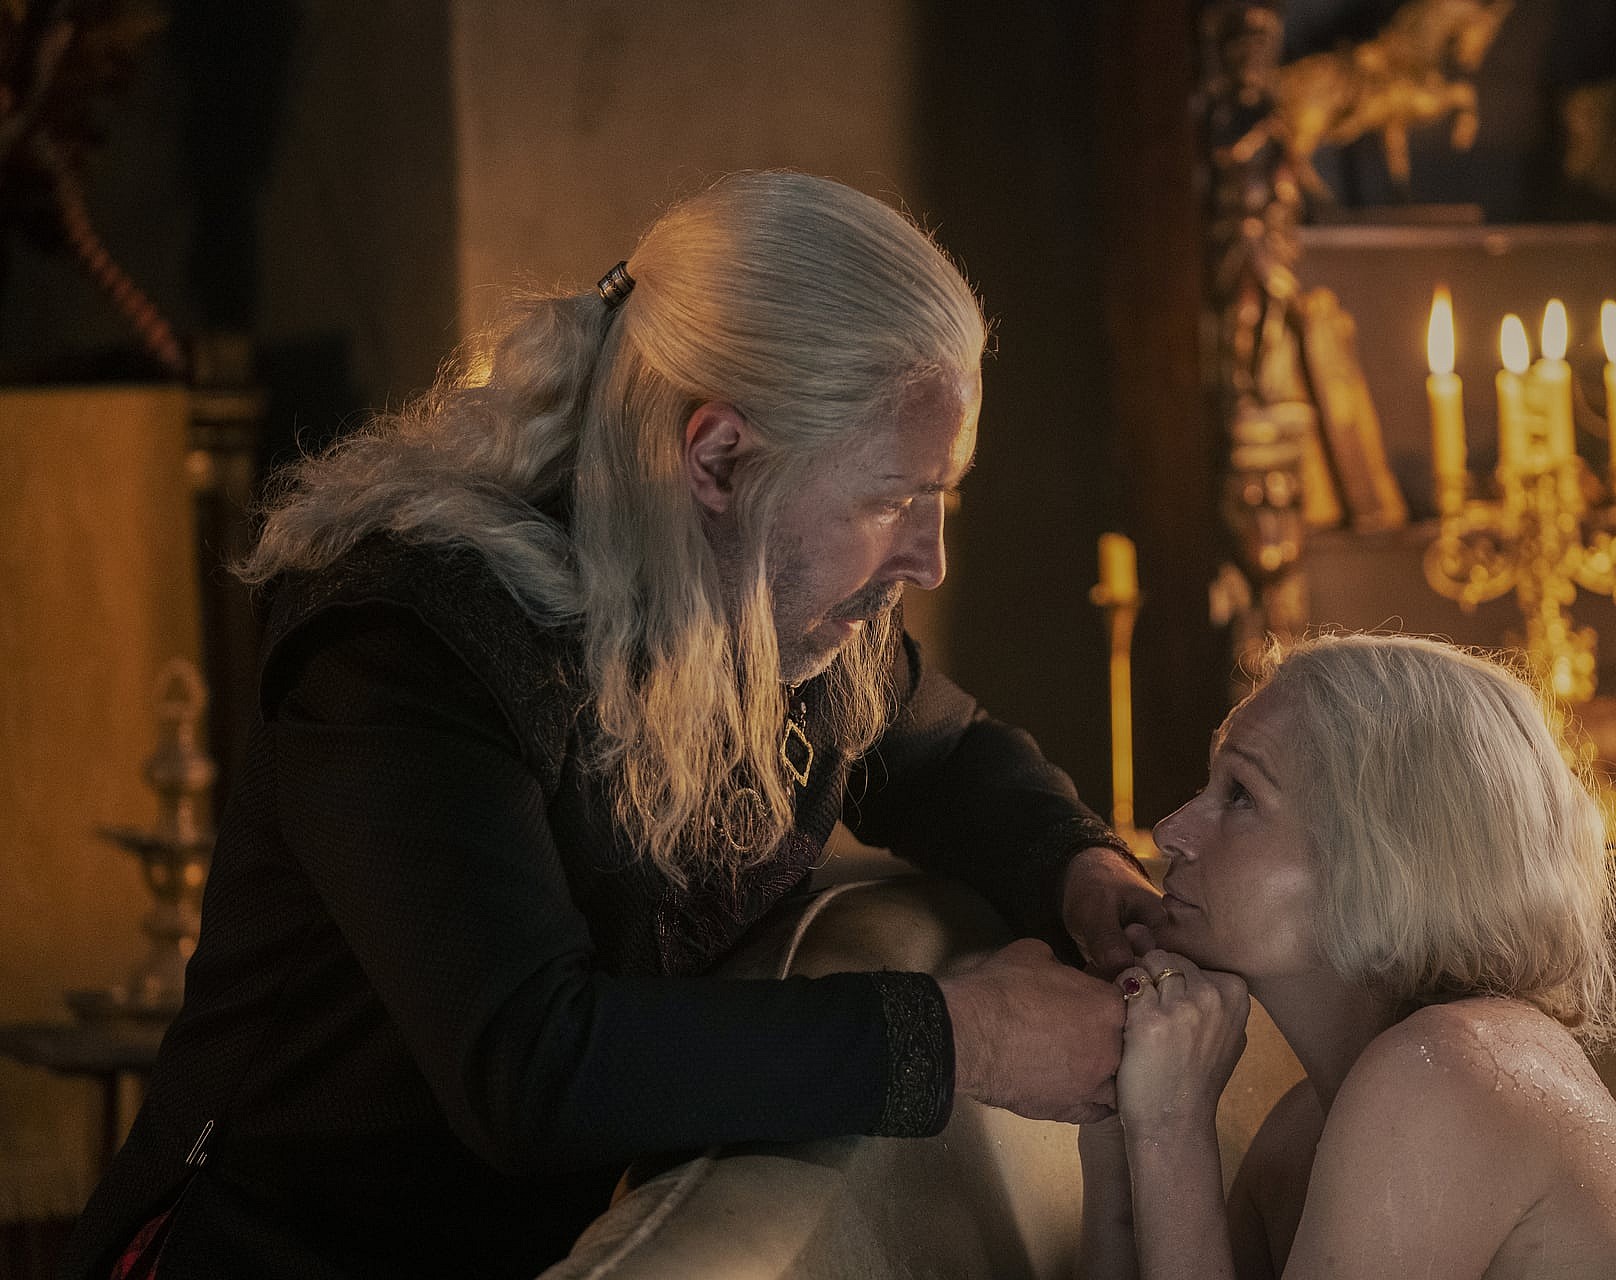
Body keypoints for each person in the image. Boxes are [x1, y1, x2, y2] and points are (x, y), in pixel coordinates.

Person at [62, 170, 1162, 1280]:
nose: (928, 558)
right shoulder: (405, 643)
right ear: (718, 458)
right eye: (890, 497)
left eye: (944, 493)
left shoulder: (794, 609)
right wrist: (968, 1037)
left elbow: (946, 753)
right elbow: (534, 1066)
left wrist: (1081, 870)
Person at [1079, 634, 1616, 1279]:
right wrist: (1117, 1128)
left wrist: (1170, 1126)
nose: (1170, 832)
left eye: (1241, 794)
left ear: (1382, 856)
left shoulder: (1447, 1075)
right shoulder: (1300, 1133)